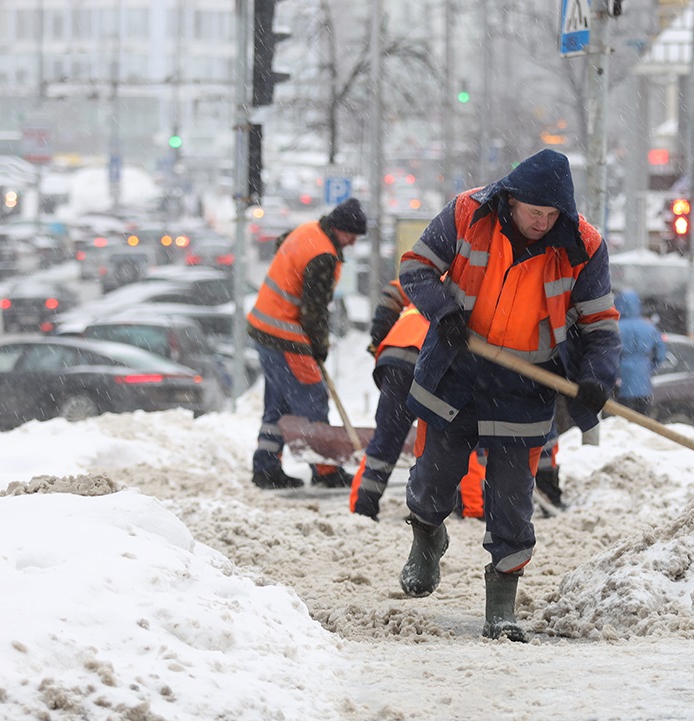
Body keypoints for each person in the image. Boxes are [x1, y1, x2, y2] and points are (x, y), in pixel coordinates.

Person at [395, 149, 620, 642]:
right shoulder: (466, 213)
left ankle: (501, 605)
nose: (542, 223)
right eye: (533, 212)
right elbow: (415, 269)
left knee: (513, 499)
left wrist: (598, 376)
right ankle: (428, 536)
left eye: (551, 215)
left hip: (527, 380)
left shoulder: (583, 244)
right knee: (434, 479)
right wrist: (444, 312)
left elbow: (601, 326)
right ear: (511, 200)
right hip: (457, 364)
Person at [247, 198, 367, 489]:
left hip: (263, 329)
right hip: (286, 336)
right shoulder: (324, 256)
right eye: (350, 236)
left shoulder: (306, 230)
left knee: (278, 404)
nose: (351, 243)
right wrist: (319, 348)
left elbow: (281, 246)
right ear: (338, 229)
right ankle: (326, 471)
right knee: (312, 398)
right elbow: (315, 311)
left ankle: (265, 468)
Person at [348, 301, 428, 520]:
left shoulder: (427, 279)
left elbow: (388, 300)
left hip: (394, 358)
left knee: (386, 438)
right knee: (438, 441)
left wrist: (378, 338)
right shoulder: (468, 283)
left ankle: (363, 506)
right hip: (430, 360)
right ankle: (437, 509)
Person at [613, 289, 666, 414]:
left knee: (622, 417)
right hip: (643, 377)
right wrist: (650, 366)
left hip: (622, 376)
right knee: (642, 415)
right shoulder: (649, 327)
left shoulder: (615, 327)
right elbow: (660, 353)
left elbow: (606, 353)